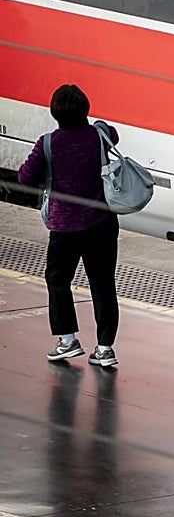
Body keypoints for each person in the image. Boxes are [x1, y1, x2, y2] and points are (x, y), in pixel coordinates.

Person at [17, 84, 121, 367]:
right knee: (102, 284)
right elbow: (114, 134)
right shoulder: (99, 136)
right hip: (101, 223)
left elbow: (25, 177)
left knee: (58, 280)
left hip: (64, 228)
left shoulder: (49, 143)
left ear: (55, 114)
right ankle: (105, 348)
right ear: (85, 110)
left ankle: (67, 340)